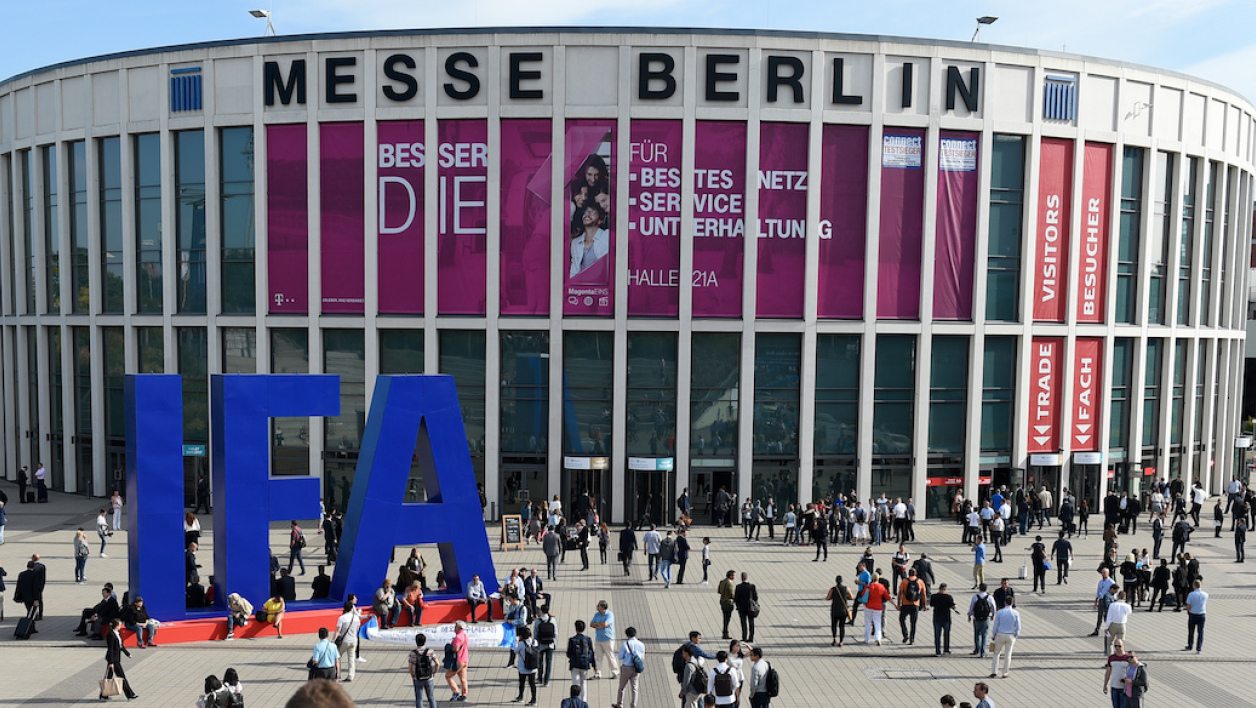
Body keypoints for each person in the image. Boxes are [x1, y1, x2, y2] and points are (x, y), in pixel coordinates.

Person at [102, 619, 139, 700]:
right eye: (119, 625)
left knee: (108, 678)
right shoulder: (111, 635)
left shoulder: (117, 633)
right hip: (113, 660)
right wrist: (111, 662)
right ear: (116, 626)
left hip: (116, 659)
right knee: (121, 677)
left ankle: (103, 694)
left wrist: (127, 653)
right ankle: (130, 694)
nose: (121, 626)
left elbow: (120, 646)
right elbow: (110, 649)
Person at [989, 596, 1020, 679]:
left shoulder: (999, 612)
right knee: (1008, 654)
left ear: (1005, 602)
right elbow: (1018, 626)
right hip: (1010, 635)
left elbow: (996, 624)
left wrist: (993, 635)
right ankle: (1005, 673)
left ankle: (994, 672)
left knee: (996, 653)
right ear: (1012, 603)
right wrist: (1015, 635)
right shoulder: (1016, 613)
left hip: (1000, 634)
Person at [614, 626, 645, 708]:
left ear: (627, 635)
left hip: (626, 667)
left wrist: (626, 657)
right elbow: (642, 657)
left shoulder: (625, 644)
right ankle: (633, 705)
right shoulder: (641, 644)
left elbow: (620, 656)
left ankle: (619, 704)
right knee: (634, 688)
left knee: (622, 687)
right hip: (636, 668)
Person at [566, 619, 596, 698]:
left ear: (575, 629)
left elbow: (568, 653)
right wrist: (594, 665)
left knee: (575, 683)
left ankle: (576, 699)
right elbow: (592, 652)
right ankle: (584, 701)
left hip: (574, 665)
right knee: (583, 683)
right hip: (585, 665)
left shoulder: (572, 640)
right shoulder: (588, 639)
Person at [897, 568, 927, 644]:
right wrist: (924, 604)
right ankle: (912, 639)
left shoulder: (904, 581)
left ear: (908, 573)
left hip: (905, 604)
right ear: (916, 573)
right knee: (913, 623)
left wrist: (898, 604)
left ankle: (905, 634)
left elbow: (900, 593)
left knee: (901, 619)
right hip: (915, 604)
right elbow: (923, 594)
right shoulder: (920, 581)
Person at [408, 633, 439, 708]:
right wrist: (434, 672)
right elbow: (437, 663)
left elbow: (410, 666)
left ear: (416, 641)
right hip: (429, 677)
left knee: (419, 699)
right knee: (431, 697)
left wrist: (412, 675)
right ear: (425, 641)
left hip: (417, 677)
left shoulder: (413, 653)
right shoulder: (430, 651)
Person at [333, 600, 361, 682]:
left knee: (337, 657)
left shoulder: (342, 618)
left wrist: (333, 639)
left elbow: (338, 630)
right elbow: (357, 628)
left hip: (344, 641)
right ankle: (350, 676)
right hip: (353, 640)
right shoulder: (356, 617)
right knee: (351, 659)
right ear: (352, 609)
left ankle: (336, 675)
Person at [862, 571, 891, 645]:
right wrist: (895, 605)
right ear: (878, 578)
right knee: (877, 622)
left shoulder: (868, 586)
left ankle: (867, 639)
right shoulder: (881, 586)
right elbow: (887, 597)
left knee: (868, 623)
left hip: (868, 606)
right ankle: (878, 638)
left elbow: (863, 595)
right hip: (878, 607)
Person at [591, 600, 618, 679]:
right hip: (598, 639)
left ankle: (615, 672)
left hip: (608, 639)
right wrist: (600, 625)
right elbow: (592, 624)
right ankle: (597, 673)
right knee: (598, 657)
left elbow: (605, 624)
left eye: (598, 605)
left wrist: (598, 625)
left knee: (610, 656)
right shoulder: (597, 614)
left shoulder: (609, 614)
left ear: (602, 607)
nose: (597, 606)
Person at [967, 584, 995, 658]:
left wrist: (969, 615)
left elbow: (971, 607)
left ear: (979, 589)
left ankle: (977, 650)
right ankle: (982, 652)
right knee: (984, 635)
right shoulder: (990, 597)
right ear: (986, 589)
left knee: (977, 634)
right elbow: (993, 607)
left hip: (977, 618)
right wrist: (992, 615)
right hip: (986, 618)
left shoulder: (975, 597)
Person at [930, 583, 959, 656]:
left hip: (937, 618)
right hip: (946, 618)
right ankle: (946, 650)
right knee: (946, 635)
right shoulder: (948, 597)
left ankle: (937, 651)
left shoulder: (934, 596)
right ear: (945, 589)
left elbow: (931, 604)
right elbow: (954, 606)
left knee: (937, 636)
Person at [513, 625, 539, 705]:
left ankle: (521, 697)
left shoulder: (521, 644)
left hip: (523, 667)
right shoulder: (535, 642)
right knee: (532, 684)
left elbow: (515, 651)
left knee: (522, 682)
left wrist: (516, 642)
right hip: (533, 667)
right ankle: (533, 699)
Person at [445, 620, 470, 702]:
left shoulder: (458, 637)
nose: (454, 628)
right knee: (463, 679)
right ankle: (464, 695)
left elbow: (455, 649)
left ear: (458, 627)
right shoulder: (465, 636)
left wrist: (449, 648)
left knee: (448, 676)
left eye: (455, 626)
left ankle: (456, 692)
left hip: (458, 660)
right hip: (465, 659)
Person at [534, 604, 558, 686]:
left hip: (541, 644)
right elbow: (555, 633)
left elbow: (535, 633)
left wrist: (536, 644)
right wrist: (554, 643)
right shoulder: (552, 620)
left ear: (541, 611)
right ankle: (546, 680)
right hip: (550, 644)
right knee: (549, 663)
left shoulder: (538, 621)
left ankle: (540, 678)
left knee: (540, 662)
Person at [826, 575, 852, 647]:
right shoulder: (846, 588)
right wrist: (846, 597)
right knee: (842, 626)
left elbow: (828, 598)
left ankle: (834, 638)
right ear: (842, 581)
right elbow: (851, 597)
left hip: (835, 610)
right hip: (843, 610)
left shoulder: (833, 589)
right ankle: (841, 641)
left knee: (834, 625)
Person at [1102, 639, 1129, 708]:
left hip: (1124, 688)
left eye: (1119, 646)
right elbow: (1108, 672)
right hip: (1114, 687)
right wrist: (1105, 685)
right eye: (1115, 646)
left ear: (1123, 646)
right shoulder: (1111, 658)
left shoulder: (1128, 658)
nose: (1117, 648)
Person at [734, 572, 759, 643]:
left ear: (741, 578)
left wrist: (738, 605)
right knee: (751, 622)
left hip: (742, 608)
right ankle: (751, 637)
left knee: (743, 622)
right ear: (747, 577)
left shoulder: (738, 587)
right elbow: (755, 597)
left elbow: (736, 598)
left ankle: (744, 637)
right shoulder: (752, 586)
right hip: (750, 607)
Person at [1185, 579, 1207, 652]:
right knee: (1200, 632)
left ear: (1194, 586)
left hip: (1193, 614)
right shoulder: (1205, 594)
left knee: (1191, 631)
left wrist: (1188, 611)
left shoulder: (1191, 594)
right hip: (1202, 614)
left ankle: (1190, 645)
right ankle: (1199, 647)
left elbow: (1188, 605)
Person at [718, 570, 736, 640]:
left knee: (725, 618)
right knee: (727, 619)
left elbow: (719, 591)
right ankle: (725, 633)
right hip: (728, 603)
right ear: (731, 576)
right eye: (734, 575)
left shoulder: (722, 582)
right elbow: (732, 594)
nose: (735, 577)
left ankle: (725, 632)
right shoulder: (730, 584)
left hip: (722, 601)